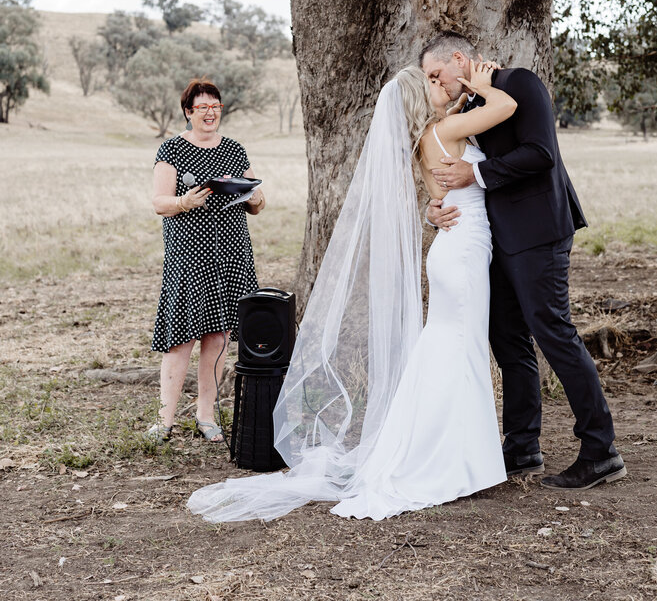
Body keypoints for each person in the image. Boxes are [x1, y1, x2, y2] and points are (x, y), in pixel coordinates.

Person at [188, 61, 516, 522]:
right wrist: (483, 86)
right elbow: (508, 104)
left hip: (454, 249)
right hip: (462, 255)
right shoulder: (448, 128)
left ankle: (449, 453)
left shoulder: (428, 136)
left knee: (447, 350)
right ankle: (449, 460)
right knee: (458, 350)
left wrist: (432, 207)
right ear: (420, 98)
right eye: (431, 81)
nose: (440, 83)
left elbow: (437, 199)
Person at [422, 31, 624, 491]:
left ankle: (600, 449)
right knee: (506, 338)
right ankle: (522, 445)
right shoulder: (472, 108)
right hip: (496, 242)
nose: (438, 83)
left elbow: (540, 154)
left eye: (438, 74)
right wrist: (437, 208)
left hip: (538, 233)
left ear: (459, 59)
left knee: (553, 333)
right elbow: (451, 169)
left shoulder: (521, 83)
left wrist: (475, 173)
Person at [148, 78, 265, 444]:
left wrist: (252, 195)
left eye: (216, 106)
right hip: (189, 254)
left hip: (231, 251)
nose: (210, 112)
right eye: (203, 107)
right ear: (188, 112)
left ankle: (206, 415)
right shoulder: (172, 149)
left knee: (219, 337)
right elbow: (159, 202)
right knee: (181, 336)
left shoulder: (234, 149)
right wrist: (185, 202)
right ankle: (164, 421)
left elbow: (258, 203)